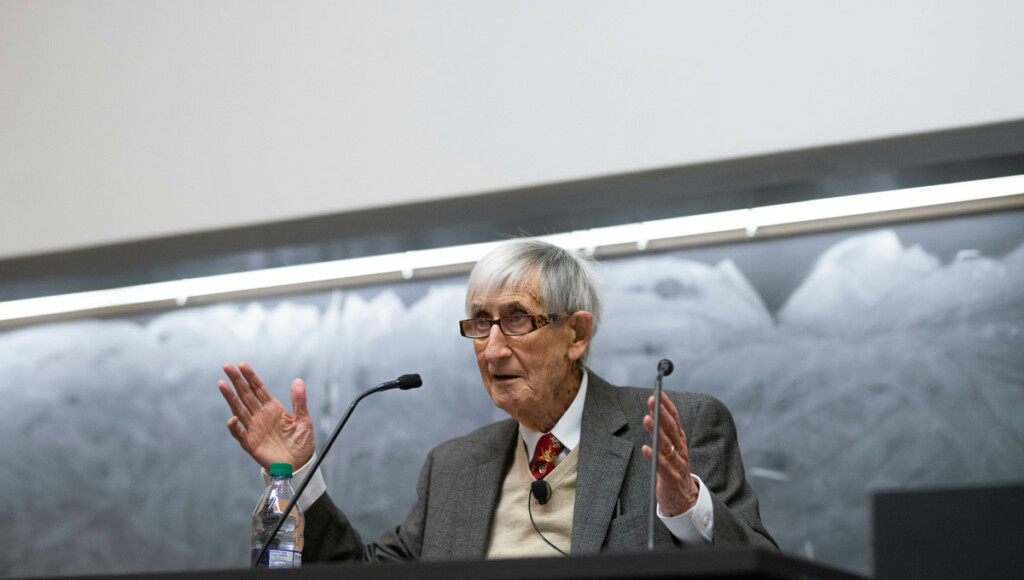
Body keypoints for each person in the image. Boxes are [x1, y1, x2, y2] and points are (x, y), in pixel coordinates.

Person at [218, 239, 776, 561]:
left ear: (577, 335)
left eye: (516, 321)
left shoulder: (677, 426)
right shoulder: (455, 467)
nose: (492, 349)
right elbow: (367, 574)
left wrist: (684, 508)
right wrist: (296, 474)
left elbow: (760, 564)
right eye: (480, 325)